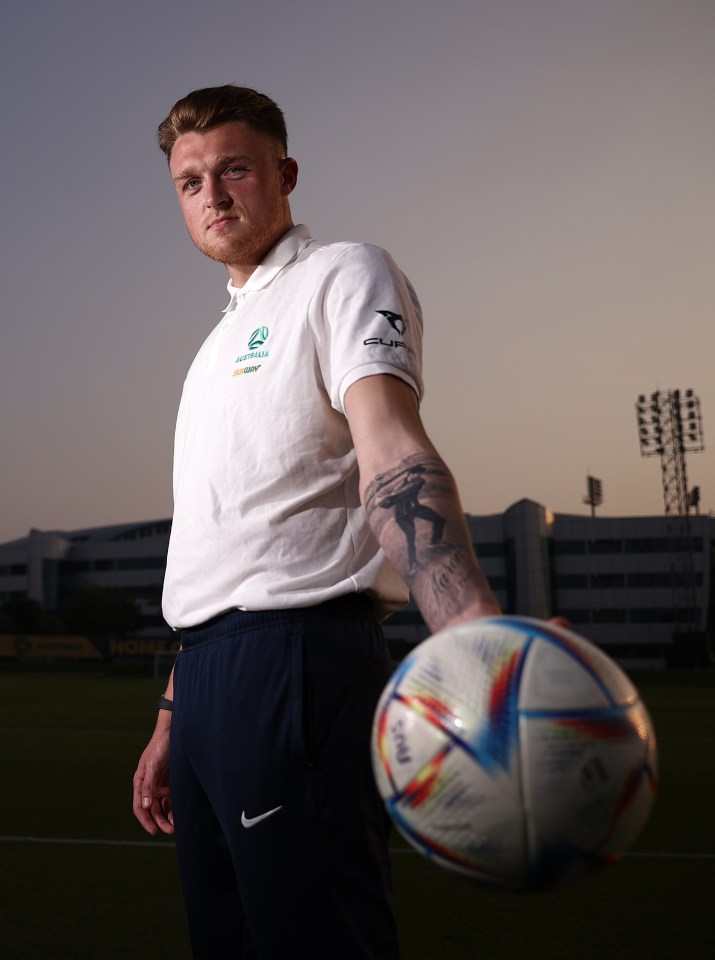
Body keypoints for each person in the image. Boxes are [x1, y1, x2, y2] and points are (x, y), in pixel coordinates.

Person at [132, 84, 501, 960]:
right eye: (190, 182)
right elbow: (224, 547)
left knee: (317, 942)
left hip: (298, 660)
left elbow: (392, 451)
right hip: (209, 679)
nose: (213, 196)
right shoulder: (210, 349)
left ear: (283, 173)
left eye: (234, 170)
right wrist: (172, 716)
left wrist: (473, 639)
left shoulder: (342, 272)